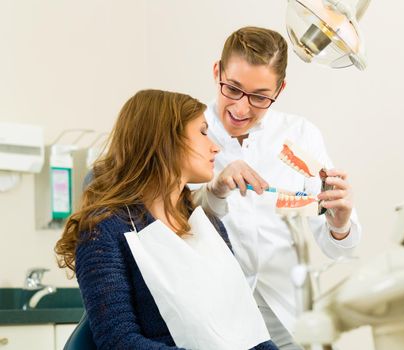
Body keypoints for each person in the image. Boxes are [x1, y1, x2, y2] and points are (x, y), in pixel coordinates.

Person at [55, 89, 278, 350]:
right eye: (203, 132)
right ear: (166, 140)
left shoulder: (206, 225)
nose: (215, 146)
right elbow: (118, 342)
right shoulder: (103, 229)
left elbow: (246, 332)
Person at [192, 27, 363, 349]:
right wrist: (214, 188)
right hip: (211, 312)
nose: (242, 109)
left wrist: (340, 225)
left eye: (259, 96)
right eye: (232, 89)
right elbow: (161, 218)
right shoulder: (186, 130)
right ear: (217, 72)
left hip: (285, 310)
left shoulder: (300, 135)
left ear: (280, 89)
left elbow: (339, 248)